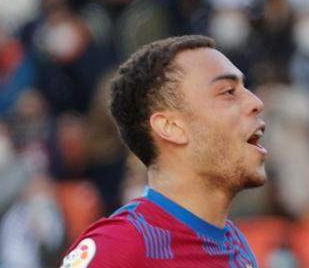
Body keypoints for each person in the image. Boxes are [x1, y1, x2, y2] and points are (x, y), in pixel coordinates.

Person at [58, 35, 264, 267]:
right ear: (171, 127)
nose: (256, 102)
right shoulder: (118, 246)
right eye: (228, 92)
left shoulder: (235, 243)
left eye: (246, 88)